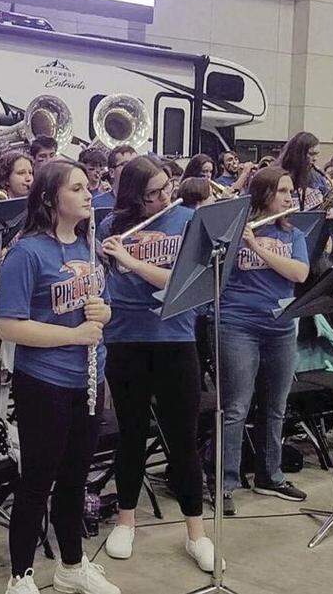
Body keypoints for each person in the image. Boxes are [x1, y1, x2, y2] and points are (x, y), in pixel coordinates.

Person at [0, 159, 119, 594]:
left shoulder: (89, 243)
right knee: (36, 481)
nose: (90, 194)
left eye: (89, 187)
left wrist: (104, 312)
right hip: (44, 382)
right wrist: (74, 335)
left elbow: (98, 306)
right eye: (78, 188)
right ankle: (20, 576)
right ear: (51, 199)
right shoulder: (27, 252)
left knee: (75, 478)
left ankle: (71, 564)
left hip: (88, 379)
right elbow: (8, 325)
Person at [97, 157, 217, 572]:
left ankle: (196, 533)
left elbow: (181, 279)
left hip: (175, 338)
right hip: (126, 339)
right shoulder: (109, 226)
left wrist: (129, 261)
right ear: (133, 196)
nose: (165, 197)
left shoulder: (186, 219)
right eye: (154, 194)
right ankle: (126, 520)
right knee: (130, 433)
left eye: (168, 187)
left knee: (182, 438)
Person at [215, 166, 310, 514]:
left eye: (290, 192)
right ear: (265, 195)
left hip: (281, 325)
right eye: (283, 191)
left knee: (276, 405)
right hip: (238, 324)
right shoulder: (235, 230)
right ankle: (225, 482)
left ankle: (270, 474)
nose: (290, 198)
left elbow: (299, 273)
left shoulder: (293, 235)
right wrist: (237, 240)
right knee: (237, 406)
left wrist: (256, 247)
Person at [276, 132, 328, 211]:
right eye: (311, 154)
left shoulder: (319, 177)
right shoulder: (277, 177)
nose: (315, 159)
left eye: (317, 154)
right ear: (297, 154)